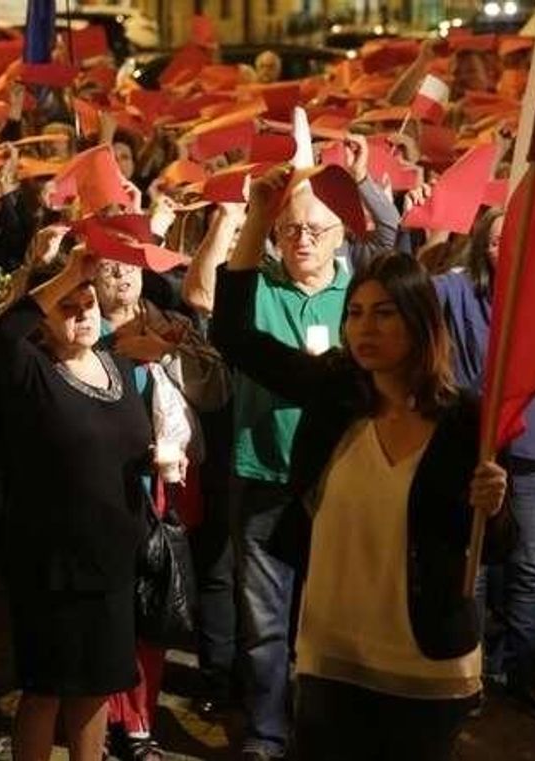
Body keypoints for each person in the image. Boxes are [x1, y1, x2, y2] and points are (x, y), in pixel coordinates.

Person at [211, 174, 515, 760]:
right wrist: (256, 219)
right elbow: (233, 335)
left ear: (420, 322)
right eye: (355, 314)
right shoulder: (336, 391)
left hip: (425, 664)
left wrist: (494, 507)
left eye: (384, 315)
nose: (364, 328)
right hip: (333, 657)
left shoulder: (461, 421)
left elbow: (494, 545)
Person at [189, 136, 399, 761]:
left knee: (335, 621)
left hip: (341, 488)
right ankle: (266, 735)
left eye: (315, 228)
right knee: (265, 626)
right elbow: (220, 316)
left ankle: (325, 731)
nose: (302, 238)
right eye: (291, 229)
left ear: (341, 237)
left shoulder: (361, 299)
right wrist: (251, 216)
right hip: (263, 476)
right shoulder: (263, 287)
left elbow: (392, 241)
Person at [0, 249, 152, 761]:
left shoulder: (115, 362)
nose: (84, 313)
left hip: (111, 558)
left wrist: (156, 458)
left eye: (89, 302)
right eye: (68, 306)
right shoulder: (29, 368)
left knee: (96, 687)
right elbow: (4, 331)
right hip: (54, 561)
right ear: (44, 317)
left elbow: (123, 440)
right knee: (46, 688)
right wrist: (66, 274)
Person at [432, 208, 535, 722]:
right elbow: (415, 295)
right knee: (471, 563)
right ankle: (466, 673)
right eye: (495, 240)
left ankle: (522, 674)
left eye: (515, 239)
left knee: (530, 568)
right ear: (481, 247)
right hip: (477, 446)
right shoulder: (457, 292)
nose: (505, 249)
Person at [95, 257, 231, 760]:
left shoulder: (170, 322)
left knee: (153, 608)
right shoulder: (80, 328)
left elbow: (215, 392)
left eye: (129, 266)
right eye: (109, 269)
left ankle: (140, 722)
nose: (121, 277)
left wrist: (172, 352)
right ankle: (105, 718)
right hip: (105, 489)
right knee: (111, 610)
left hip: (162, 488)